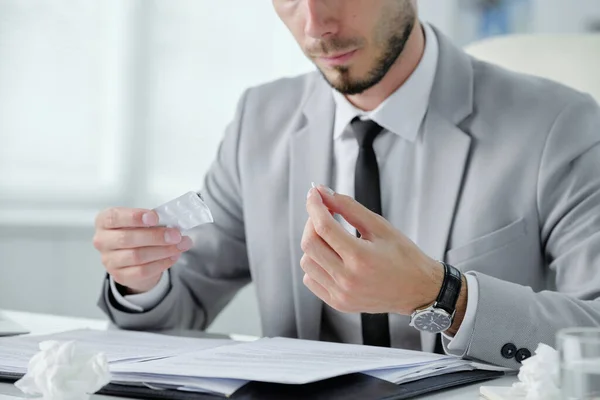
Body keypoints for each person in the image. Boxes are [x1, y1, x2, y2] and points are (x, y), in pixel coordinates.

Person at [94, 0, 600, 369]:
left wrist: (443, 295)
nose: (316, 26)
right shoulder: (259, 121)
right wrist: (140, 278)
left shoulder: (560, 125)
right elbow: (179, 306)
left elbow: (594, 333)